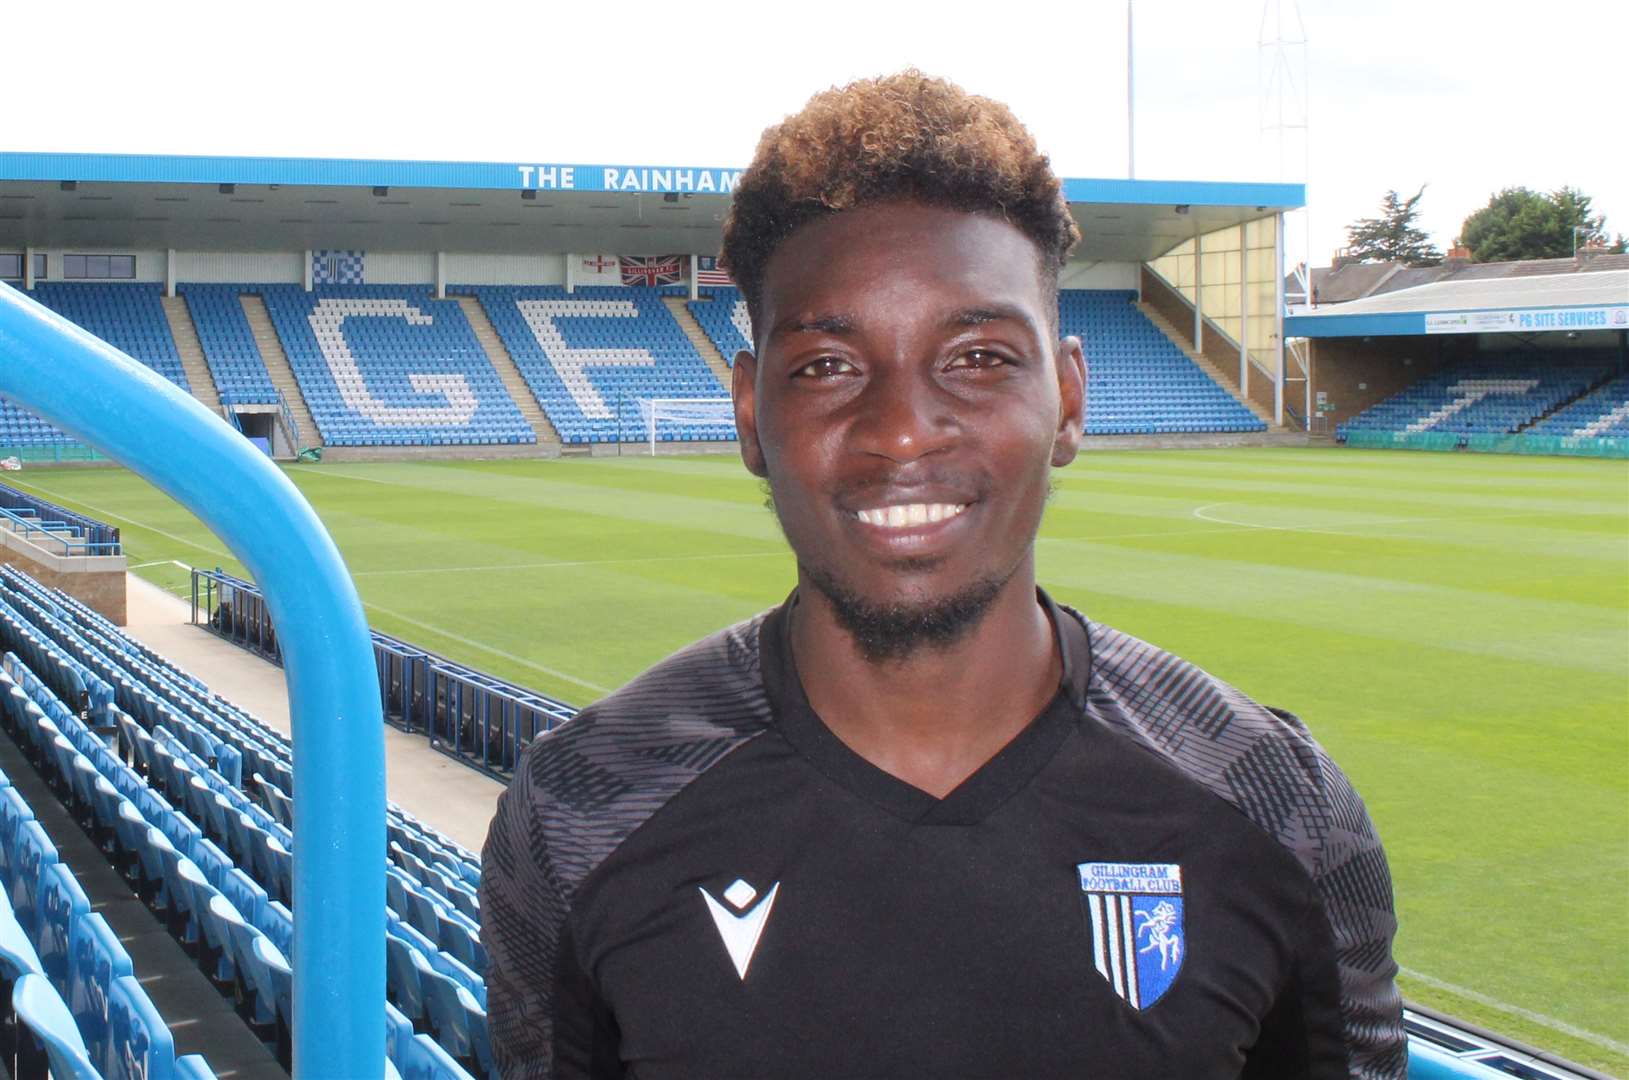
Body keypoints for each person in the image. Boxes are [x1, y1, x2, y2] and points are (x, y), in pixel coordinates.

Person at [481, 71, 1404, 1079]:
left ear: (1069, 398)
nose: (904, 427)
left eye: (977, 357)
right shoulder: (581, 811)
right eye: (828, 367)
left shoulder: (1277, 806)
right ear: (750, 417)